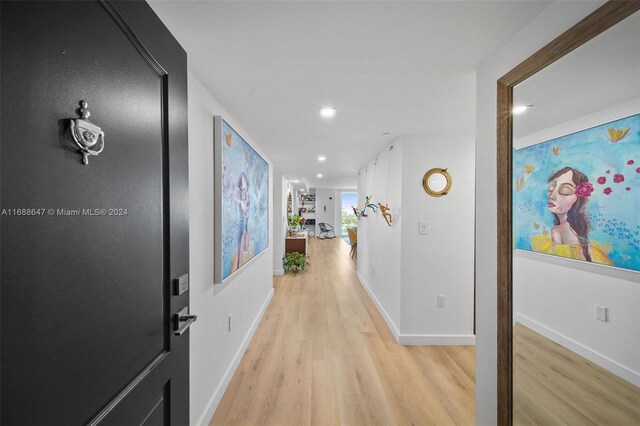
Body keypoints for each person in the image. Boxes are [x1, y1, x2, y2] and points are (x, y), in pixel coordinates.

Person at [531, 166, 612, 265]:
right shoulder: (576, 229)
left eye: (565, 191)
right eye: (551, 188)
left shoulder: (558, 230)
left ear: (578, 199)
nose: (552, 196)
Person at [230, 173, 254, 272]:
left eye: (246, 191)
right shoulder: (235, 229)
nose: (246, 196)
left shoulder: (247, 228)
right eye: (243, 191)